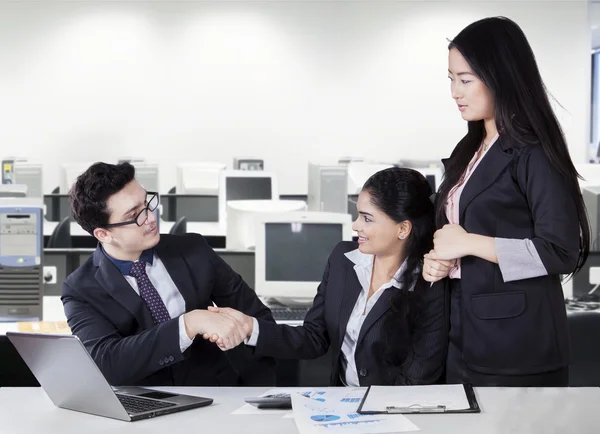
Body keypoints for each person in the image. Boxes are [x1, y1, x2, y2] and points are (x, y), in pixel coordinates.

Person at [423, 16, 590, 386]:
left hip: (516, 344)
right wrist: (439, 260)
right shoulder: (470, 149)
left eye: (465, 80)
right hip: (461, 330)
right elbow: (459, 230)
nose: (455, 92)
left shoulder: (534, 151)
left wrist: (468, 243)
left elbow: (560, 250)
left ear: (502, 76)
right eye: (451, 79)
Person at [208, 167, 448, 386]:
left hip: (397, 416)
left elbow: (417, 380)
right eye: (358, 215)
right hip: (342, 406)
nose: (355, 226)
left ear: (403, 229)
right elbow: (314, 337)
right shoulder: (343, 260)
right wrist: (250, 327)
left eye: (367, 218)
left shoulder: (430, 285)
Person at [61, 162, 276, 386]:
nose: (151, 218)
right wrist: (189, 323)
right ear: (104, 234)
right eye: (136, 215)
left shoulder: (193, 249)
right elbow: (107, 364)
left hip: (217, 395)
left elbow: (259, 319)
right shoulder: (80, 289)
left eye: (148, 203)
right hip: (144, 404)